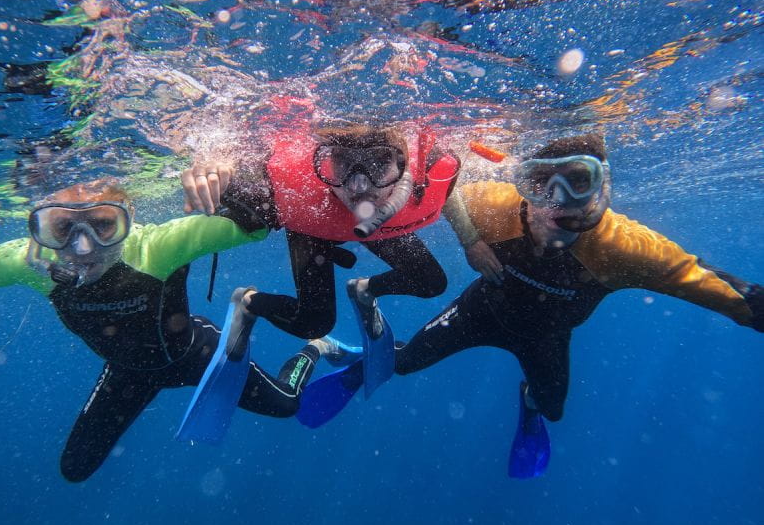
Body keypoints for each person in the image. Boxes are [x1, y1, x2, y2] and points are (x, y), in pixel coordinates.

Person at [302, 134, 763, 475]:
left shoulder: (626, 249)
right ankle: (362, 362)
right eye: (540, 185)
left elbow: (702, 280)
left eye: (579, 182)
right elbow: (450, 190)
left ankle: (528, 400)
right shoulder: (497, 206)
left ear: (605, 188)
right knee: (402, 365)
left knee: (552, 407)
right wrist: (471, 241)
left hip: (546, 337)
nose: (558, 204)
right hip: (480, 310)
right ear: (523, 186)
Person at [0, 177, 350, 482]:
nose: (83, 249)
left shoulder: (157, 246)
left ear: (130, 218)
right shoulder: (31, 264)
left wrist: (227, 175)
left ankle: (311, 346)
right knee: (75, 469)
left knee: (288, 405)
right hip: (129, 372)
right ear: (38, 227)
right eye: (62, 228)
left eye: (103, 225)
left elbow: (264, 216)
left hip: (197, 353)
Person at [181, 120, 461, 340]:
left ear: (406, 165)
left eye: (378, 163)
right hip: (314, 226)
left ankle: (364, 290)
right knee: (313, 324)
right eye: (343, 163)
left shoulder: (432, 174)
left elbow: (439, 188)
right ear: (326, 161)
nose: (359, 186)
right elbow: (236, 178)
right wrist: (218, 165)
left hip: (377, 226)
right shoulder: (293, 195)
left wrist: (471, 241)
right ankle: (248, 301)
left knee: (431, 283)